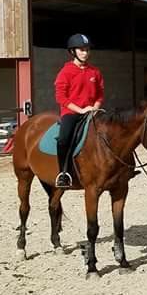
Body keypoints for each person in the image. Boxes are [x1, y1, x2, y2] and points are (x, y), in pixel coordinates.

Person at [53, 34, 105, 188]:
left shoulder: (95, 72)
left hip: (92, 111)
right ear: (73, 52)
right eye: (81, 50)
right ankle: (64, 173)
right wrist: (81, 110)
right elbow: (60, 97)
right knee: (63, 139)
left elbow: (100, 94)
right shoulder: (65, 72)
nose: (85, 53)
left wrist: (95, 107)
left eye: (87, 50)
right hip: (72, 112)